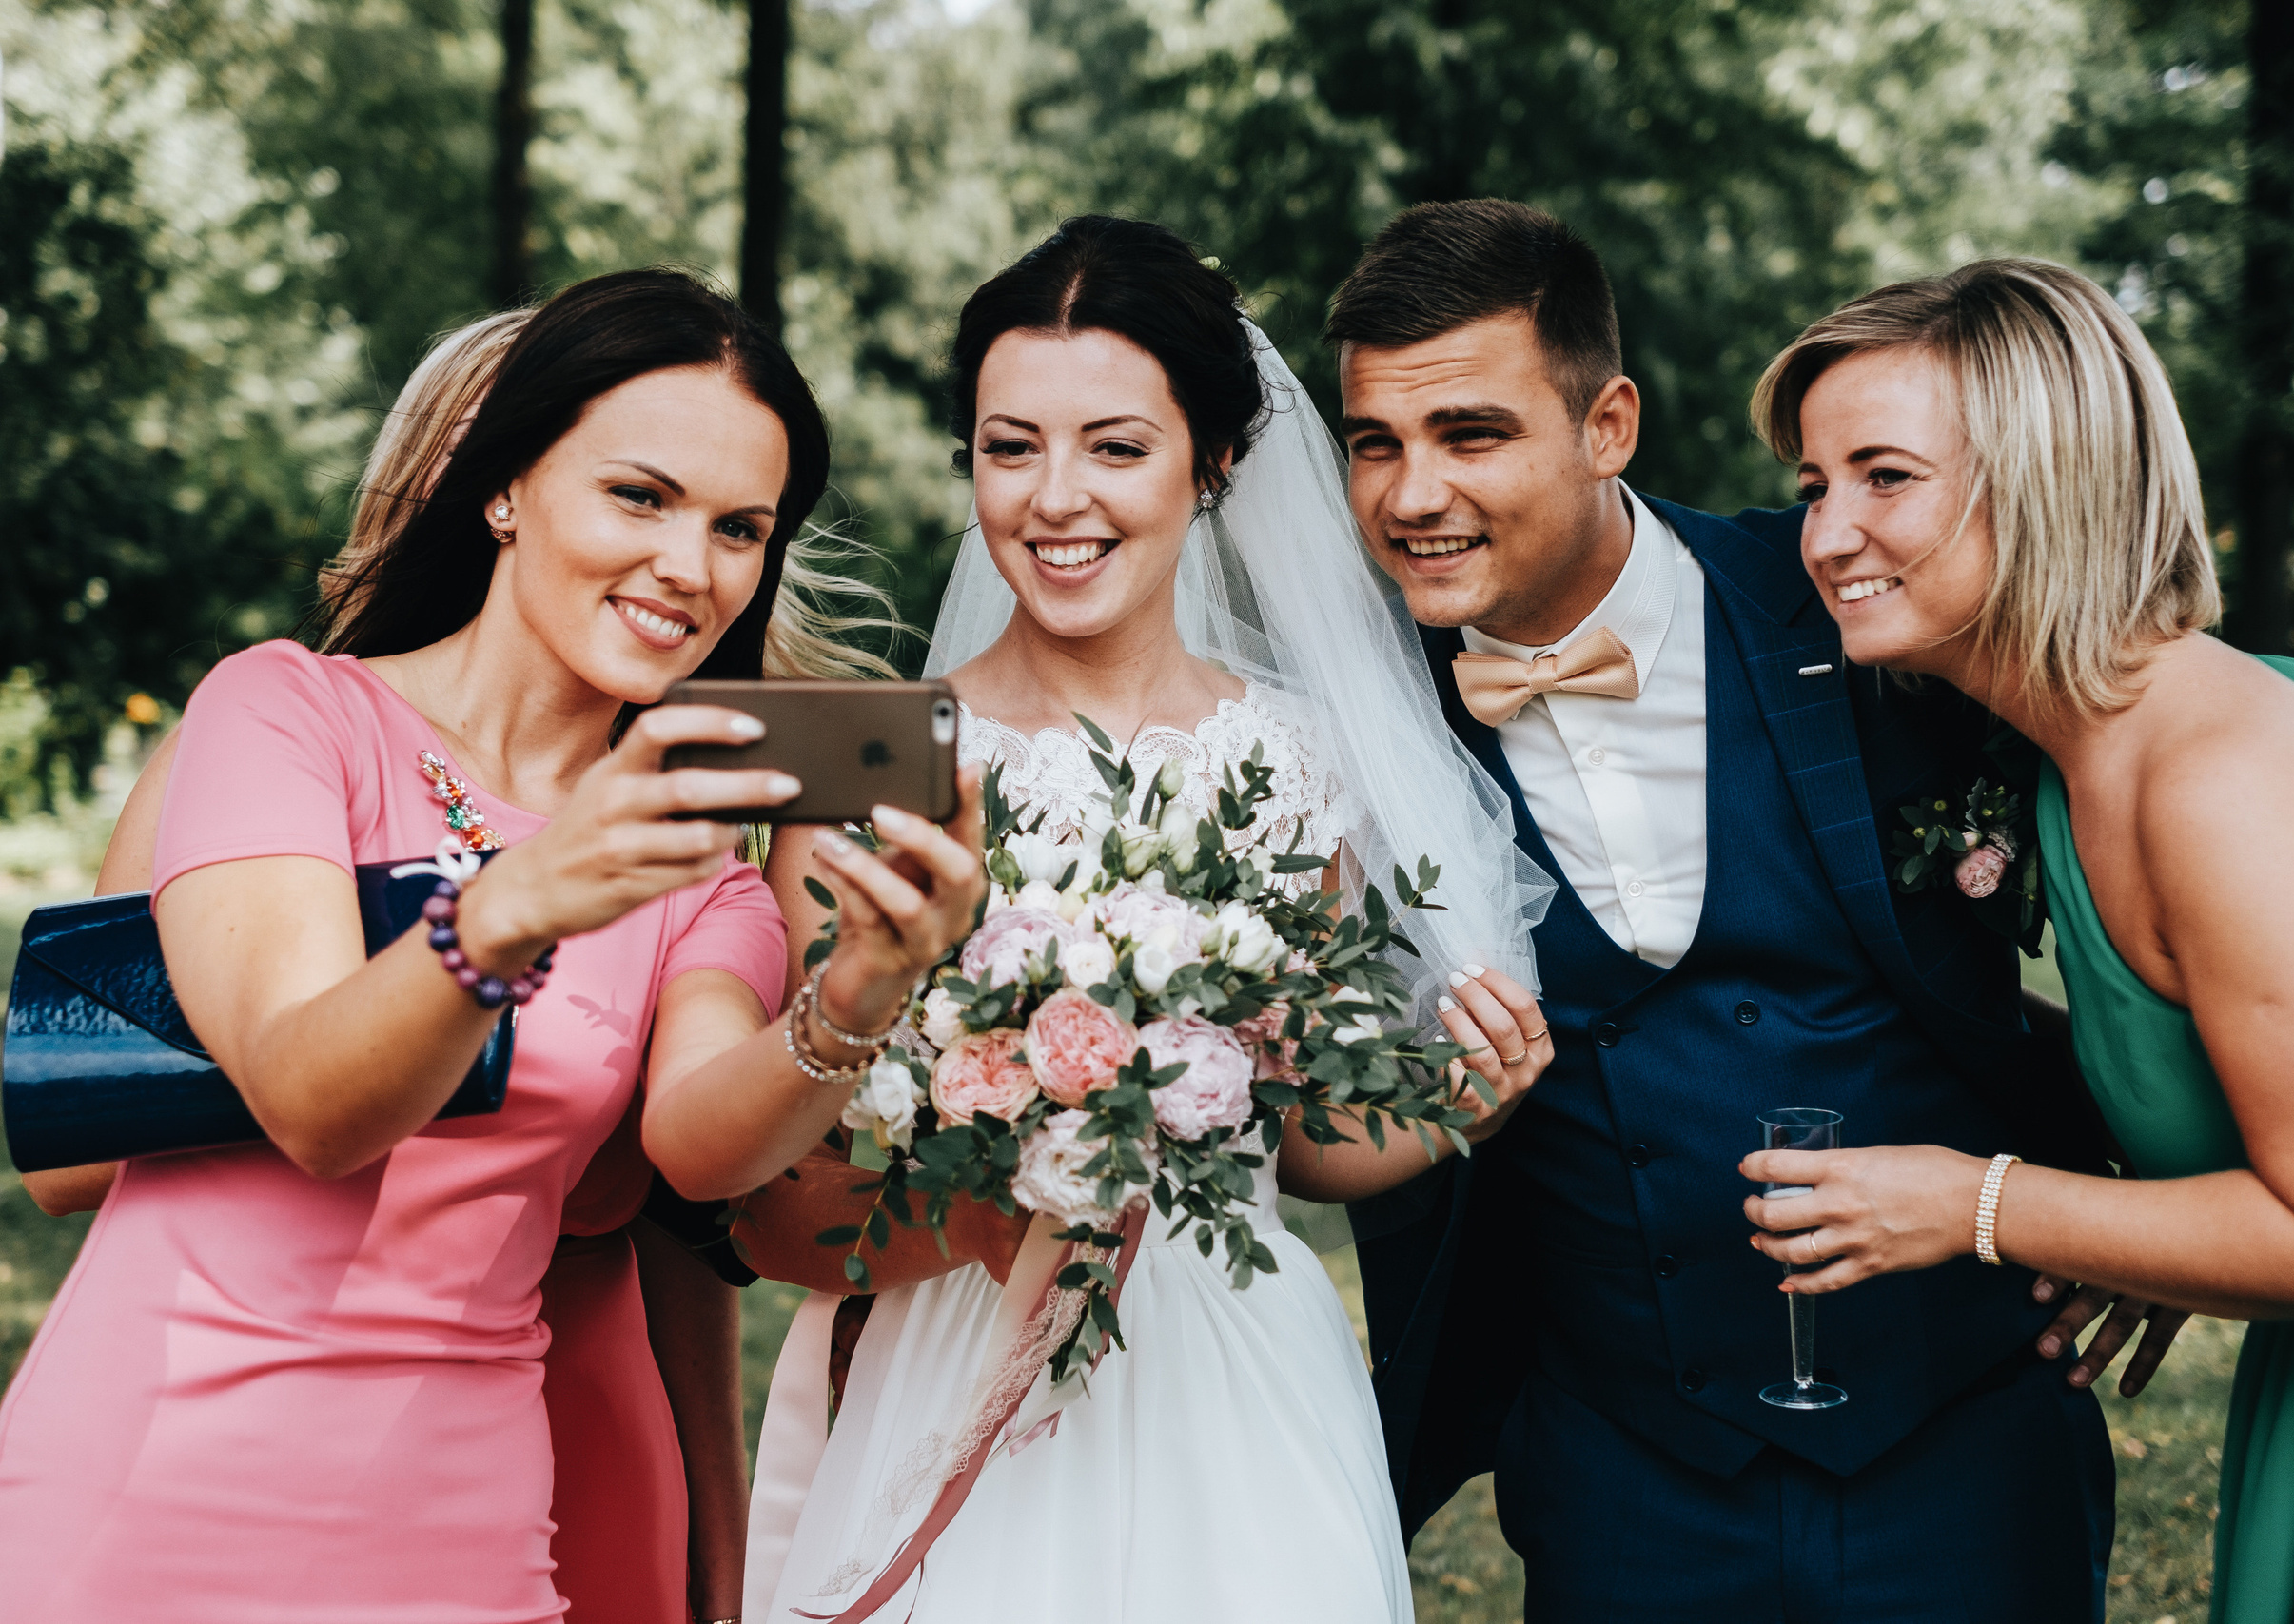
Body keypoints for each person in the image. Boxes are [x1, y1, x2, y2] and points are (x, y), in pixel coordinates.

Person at [0, 267, 984, 1619]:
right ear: (503, 488)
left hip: (461, 1520)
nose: (690, 570)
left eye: (740, 529)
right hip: (148, 1485)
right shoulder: (290, 715)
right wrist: (523, 899)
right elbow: (307, 1100)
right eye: (639, 497)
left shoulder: (702, 871)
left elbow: (702, 1144)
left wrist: (867, 984)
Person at [1332, 201, 2149, 1622]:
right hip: (1620, 1472)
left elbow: (2142, 842)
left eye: (1470, 435)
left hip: (1963, 1438)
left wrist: (2143, 1194)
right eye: (1374, 443)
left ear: (1609, 426)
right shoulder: (1354, 723)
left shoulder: (1860, 590)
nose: (1411, 495)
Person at [739, 215, 1557, 1624]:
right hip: (950, 1354)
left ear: (1217, 460)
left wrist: (1454, 1108)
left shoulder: (1302, 759)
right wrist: (985, 1207)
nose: (1056, 499)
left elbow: (1299, 1142)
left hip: (1232, 1379)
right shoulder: (866, 755)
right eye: (1011, 447)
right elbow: (775, 1195)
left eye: (1115, 446)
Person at [1737, 257, 2294, 1624]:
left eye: (1886, 477)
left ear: (2048, 476)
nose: (1824, 537)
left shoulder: (2227, 781)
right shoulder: (2073, 760)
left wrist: (1974, 1204)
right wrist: (2157, 1228)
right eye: (1817, 487)